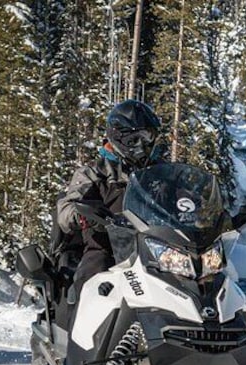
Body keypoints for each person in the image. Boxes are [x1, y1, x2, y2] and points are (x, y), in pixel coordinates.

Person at [55, 99, 165, 301]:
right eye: (135, 139)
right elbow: (66, 209)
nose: (142, 146)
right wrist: (81, 215)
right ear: (118, 138)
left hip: (156, 251)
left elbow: (184, 201)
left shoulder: (160, 175)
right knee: (93, 278)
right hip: (108, 247)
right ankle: (79, 330)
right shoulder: (94, 173)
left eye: (147, 137)